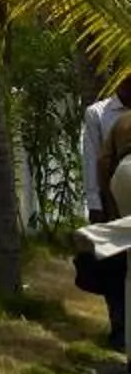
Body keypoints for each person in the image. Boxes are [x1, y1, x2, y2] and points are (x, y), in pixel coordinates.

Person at [79, 77, 131, 353]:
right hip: (112, 200)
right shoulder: (98, 113)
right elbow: (94, 161)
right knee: (115, 269)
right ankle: (120, 327)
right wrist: (96, 204)